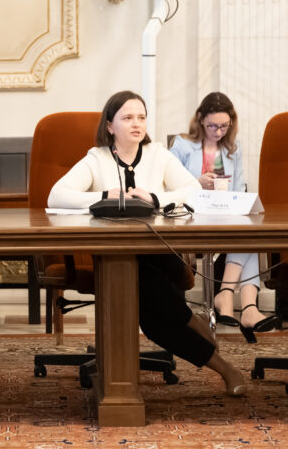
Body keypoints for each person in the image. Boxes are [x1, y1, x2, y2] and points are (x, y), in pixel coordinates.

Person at [48, 90, 247, 396]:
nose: (136, 124)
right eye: (128, 118)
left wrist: (154, 198)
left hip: (160, 252)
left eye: (141, 117)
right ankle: (221, 364)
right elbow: (56, 196)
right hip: (115, 257)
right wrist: (105, 196)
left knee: (154, 302)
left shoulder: (158, 155)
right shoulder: (97, 158)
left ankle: (203, 341)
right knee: (154, 321)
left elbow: (192, 191)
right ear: (110, 125)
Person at [169, 92, 279, 343]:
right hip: (191, 216)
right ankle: (239, 301)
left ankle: (239, 302)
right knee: (246, 235)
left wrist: (237, 201)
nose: (218, 132)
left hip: (224, 214)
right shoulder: (182, 145)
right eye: (212, 126)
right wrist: (197, 182)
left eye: (224, 126)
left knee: (250, 228)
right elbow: (168, 186)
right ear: (200, 119)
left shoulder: (233, 148)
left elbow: (239, 187)